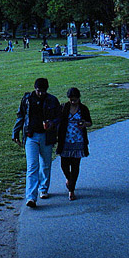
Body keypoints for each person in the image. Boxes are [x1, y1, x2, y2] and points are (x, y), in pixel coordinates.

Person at [12, 78, 61, 207]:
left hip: (46, 136)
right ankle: (31, 198)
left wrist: (52, 123)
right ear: (35, 88)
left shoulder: (52, 100)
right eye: (39, 91)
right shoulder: (27, 100)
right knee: (32, 166)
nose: (41, 93)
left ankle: (43, 188)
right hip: (31, 136)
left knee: (45, 164)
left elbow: (59, 116)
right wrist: (15, 133)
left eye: (43, 91)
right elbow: (21, 116)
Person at [56, 88, 92, 201]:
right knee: (64, 165)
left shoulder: (83, 109)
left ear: (79, 98)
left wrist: (84, 124)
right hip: (65, 141)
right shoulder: (63, 108)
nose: (73, 102)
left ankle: (71, 190)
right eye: (71, 100)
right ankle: (69, 178)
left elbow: (90, 122)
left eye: (75, 100)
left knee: (75, 166)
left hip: (78, 141)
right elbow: (57, 120)